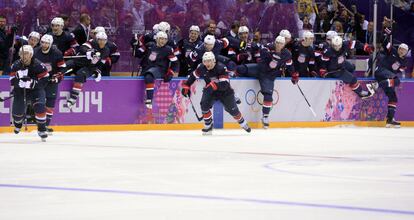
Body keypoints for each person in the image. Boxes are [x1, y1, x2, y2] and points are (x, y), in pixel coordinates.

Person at [181, 52, 251, 135]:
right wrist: (187, 85)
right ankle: (208, 125)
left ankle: (242, 122)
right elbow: (193, 76)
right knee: (204, 105)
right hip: (210, 91)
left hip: (225, 92)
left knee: (233, 111)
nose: (207, 63)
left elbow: (225, 85)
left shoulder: (221, 68)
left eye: (209, 61)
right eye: (205, 61)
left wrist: (213, 85)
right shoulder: (201, 67)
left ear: (214, 60)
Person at [236, 36, 299, 129]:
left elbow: (290, 65)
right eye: (277, 42)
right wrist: (273, 55)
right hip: (259, 69)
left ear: (284, 44)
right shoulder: (268, 47)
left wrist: (293, 75)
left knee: (268, 97)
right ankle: (234, 93)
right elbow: (263, 52)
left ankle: (265, 117)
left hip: (269, 76)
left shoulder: (287, 54)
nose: (278, 45)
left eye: (281, 43)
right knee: (240, 69)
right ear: (275, 42)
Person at [9, 45, 49, 141]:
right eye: (22, 53)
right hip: (20, 91)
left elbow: (45, 79)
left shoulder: (38, 65)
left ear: (31, 54)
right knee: (17, 115)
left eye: (26, 53)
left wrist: (33, 83)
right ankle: (18, 123)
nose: (24, 56)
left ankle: (42, 129)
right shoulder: (15, 65)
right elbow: (11, 80)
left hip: (36, 90)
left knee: (40, 106)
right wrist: (18, 82)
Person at [134, 31, 179, 109]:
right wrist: (134, 44)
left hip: (160, 69)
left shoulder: (168, 50)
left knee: (149, 76)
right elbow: (137, 54)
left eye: (165, 39)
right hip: (147, 68)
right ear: (157, 39)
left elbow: (175, 63)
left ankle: (149, 99)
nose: (163, 41)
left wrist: (171, 72)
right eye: (161, 39)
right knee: (141, 80)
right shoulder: (149, 45)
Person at [66, 32, 110, 108]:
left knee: (80, 74)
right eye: (100, 40)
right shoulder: (91, 42)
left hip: (89, 67)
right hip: (78, 62)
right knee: (65, 66)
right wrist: (89, 51)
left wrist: (98, 71)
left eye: (104, 40)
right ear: (96, 39)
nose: (102, 42)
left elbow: (102, 63)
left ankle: (73, 97)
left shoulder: (106, 50)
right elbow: (83, 47)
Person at [34, 34, 66, 134]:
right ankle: (41, 124)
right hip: (40, 80)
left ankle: (46, 125)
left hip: (52, 80)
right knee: (40, 102)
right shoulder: (35, 52)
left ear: (50, 43)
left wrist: (58, 75)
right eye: (42, 42)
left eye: (47, 43)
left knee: (50, 103)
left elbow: (63, 67)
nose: (44, 44)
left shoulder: (57, 53)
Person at [374, 36, 409, 128]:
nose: (402, 51)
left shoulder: (404, 62)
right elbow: (384, 41)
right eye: (401, 49)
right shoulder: (392, 50)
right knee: (396, 80)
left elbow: (398, 70)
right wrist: (386, 34)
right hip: (381, 71)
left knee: (393, 98)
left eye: (404, 50)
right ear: (398, 48)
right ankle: (377, 85)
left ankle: (390, 120)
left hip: (388, 77)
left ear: (406, 52)